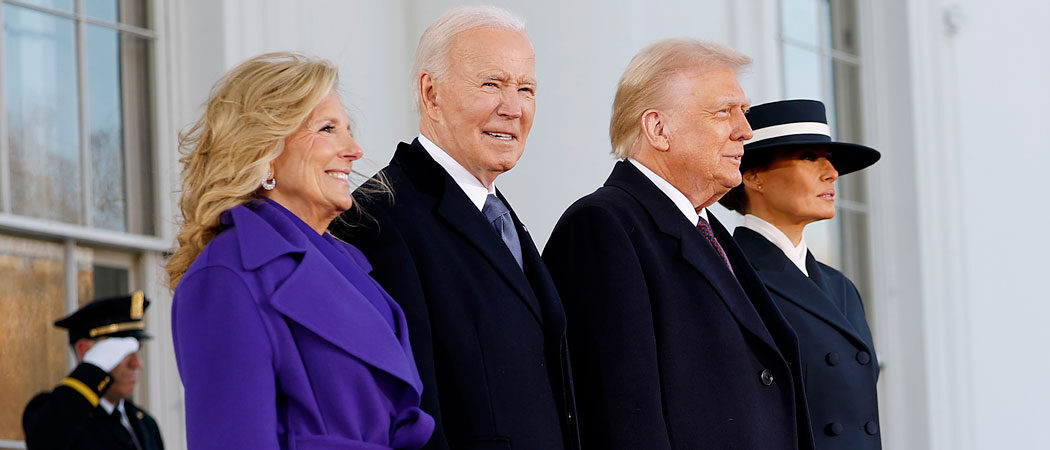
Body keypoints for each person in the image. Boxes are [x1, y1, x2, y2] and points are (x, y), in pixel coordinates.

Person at [542, 39, 814, 449]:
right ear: (658, 129)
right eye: (725, 111)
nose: (745, 130)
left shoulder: (709, 230)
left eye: (744, 112)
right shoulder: (602, 227)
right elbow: (622, 417)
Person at [330, 6, 577, 450]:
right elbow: (409, 410)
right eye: (492, 84)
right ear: (431, 93)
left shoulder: (501, 217)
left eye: (526, 89)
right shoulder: (378, 216)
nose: (513, 108)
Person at [167, 52, 433, 449]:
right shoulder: (227, 277)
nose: (355, 149)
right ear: (267, 151)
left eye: (348, 129)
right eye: (328, 129)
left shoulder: (351, 268)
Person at [719, 99, 882, 449]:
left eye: (830, 159)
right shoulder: (728, 277)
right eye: (810, 156)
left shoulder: (841, 287)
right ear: (754, 176)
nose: (831, 172)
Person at [22, 291, 164, 450]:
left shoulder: (145, 423)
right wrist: (91, 371)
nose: (137, 363)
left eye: (138, 349)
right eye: (122, 352)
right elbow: (43, 443)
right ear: (85, 351)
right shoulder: (57, 412)